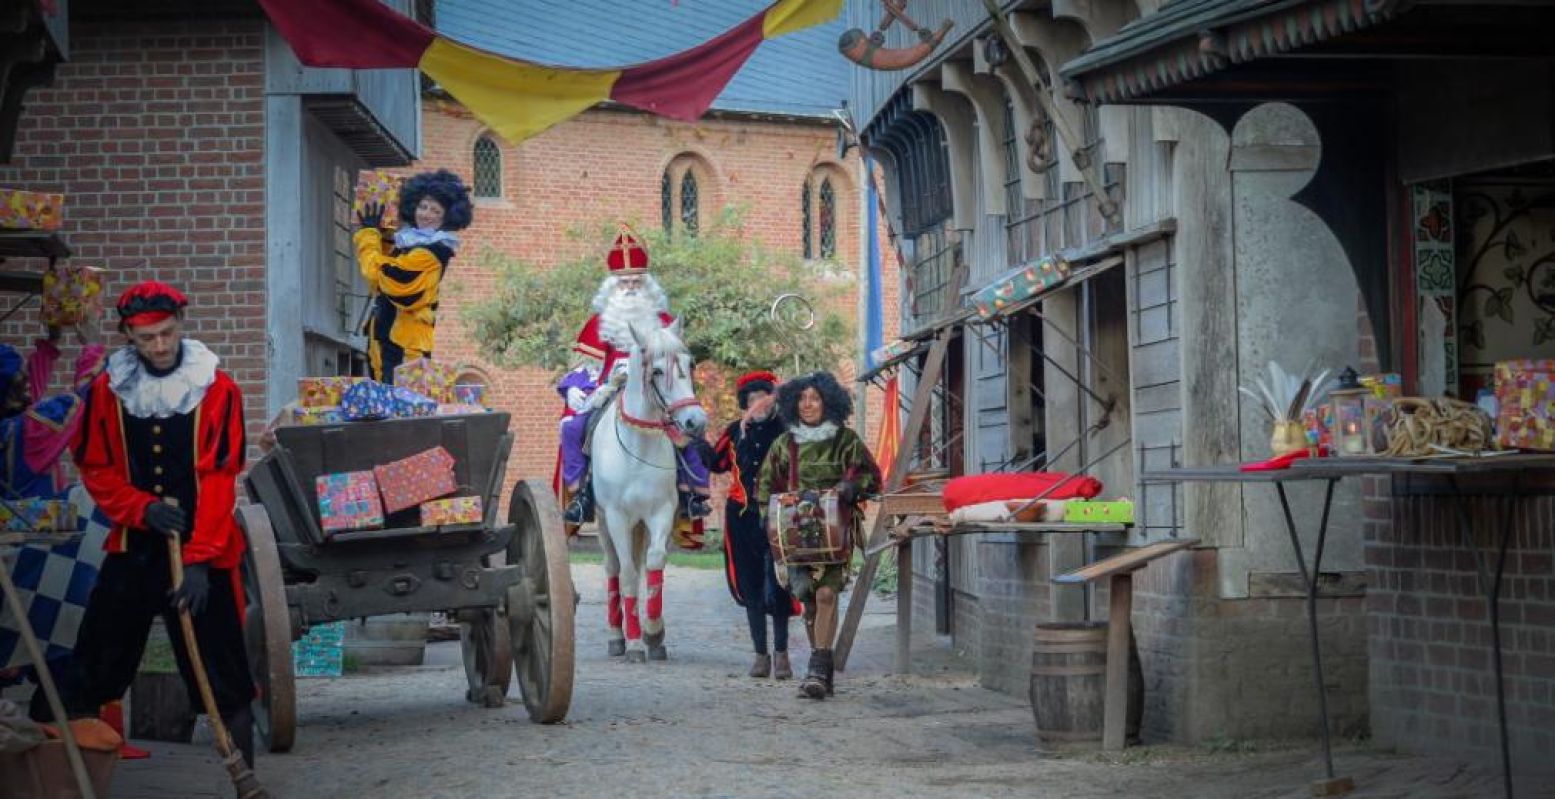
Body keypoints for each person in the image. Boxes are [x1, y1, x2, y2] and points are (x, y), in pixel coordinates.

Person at [40, 281, 257, 767]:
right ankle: (76, 777)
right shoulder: (108, 390)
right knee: (95, 662)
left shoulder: (216, 388)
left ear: (179, 324)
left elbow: (221, 478)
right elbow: (93, 465)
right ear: (128, 337)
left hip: (205, 546)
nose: (158, 347)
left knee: (224, 676)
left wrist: (200, 561)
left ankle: (246, 781)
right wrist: (139, 507)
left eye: (165, 333)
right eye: (145, 339)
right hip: (136, 546)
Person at [558, 226, 710, 526]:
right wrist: (574, 389)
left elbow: (677, 363)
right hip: (608, 389)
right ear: (613, 286)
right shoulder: (598, 323)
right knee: (572, 428)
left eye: (636, 281)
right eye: (623, 282)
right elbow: (582, 365)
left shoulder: (664, 321)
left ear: (647, 284)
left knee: (690, 427)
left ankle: (691, 492)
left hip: (658, 391)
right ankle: (582, 495)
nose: (630, 287)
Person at [757, 371, 881, 700]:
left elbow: (871, 477)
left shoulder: (846, 440)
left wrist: (847, 488)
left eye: (814, 398)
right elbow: (766, 489)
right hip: (796, 536)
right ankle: (822, 670)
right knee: (810, 602)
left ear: (828, 402)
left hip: (835, 532)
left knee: (827, 594)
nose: (808, 404)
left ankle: (816, 670)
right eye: (802, 398)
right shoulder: (784, 444)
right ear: (792, 403)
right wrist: (770, 521)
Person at [710, 370, 796, 679]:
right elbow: (715, 463)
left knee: (781, 583)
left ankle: (782, 655)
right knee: (751, 585)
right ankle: (760, 655)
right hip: (742, 516)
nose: (758, 403)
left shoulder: (787, 429)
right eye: (752, 399)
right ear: (745, 403)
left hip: (779, 516)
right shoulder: (735, 432)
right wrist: (688, 443)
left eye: (763, 397)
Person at [354, 168, 473, 383]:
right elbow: (386, 268)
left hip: (405, 348)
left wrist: (368, 235)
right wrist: (384, 237)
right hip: (388, 340)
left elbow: (384, 276)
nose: (426, 214)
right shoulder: (411, 244)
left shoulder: (430, 253)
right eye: (423, 207)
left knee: (402, 408)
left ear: (446, 217)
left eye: (435, 211)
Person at [0, 324, 106, 499]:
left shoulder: (13, 423)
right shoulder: (28, 431)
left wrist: (52, 340)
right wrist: (92, 345)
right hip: (34, 521)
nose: (28, 379)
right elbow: (86, 398)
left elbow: (29, 397)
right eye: (21, 377)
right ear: (9, 392)